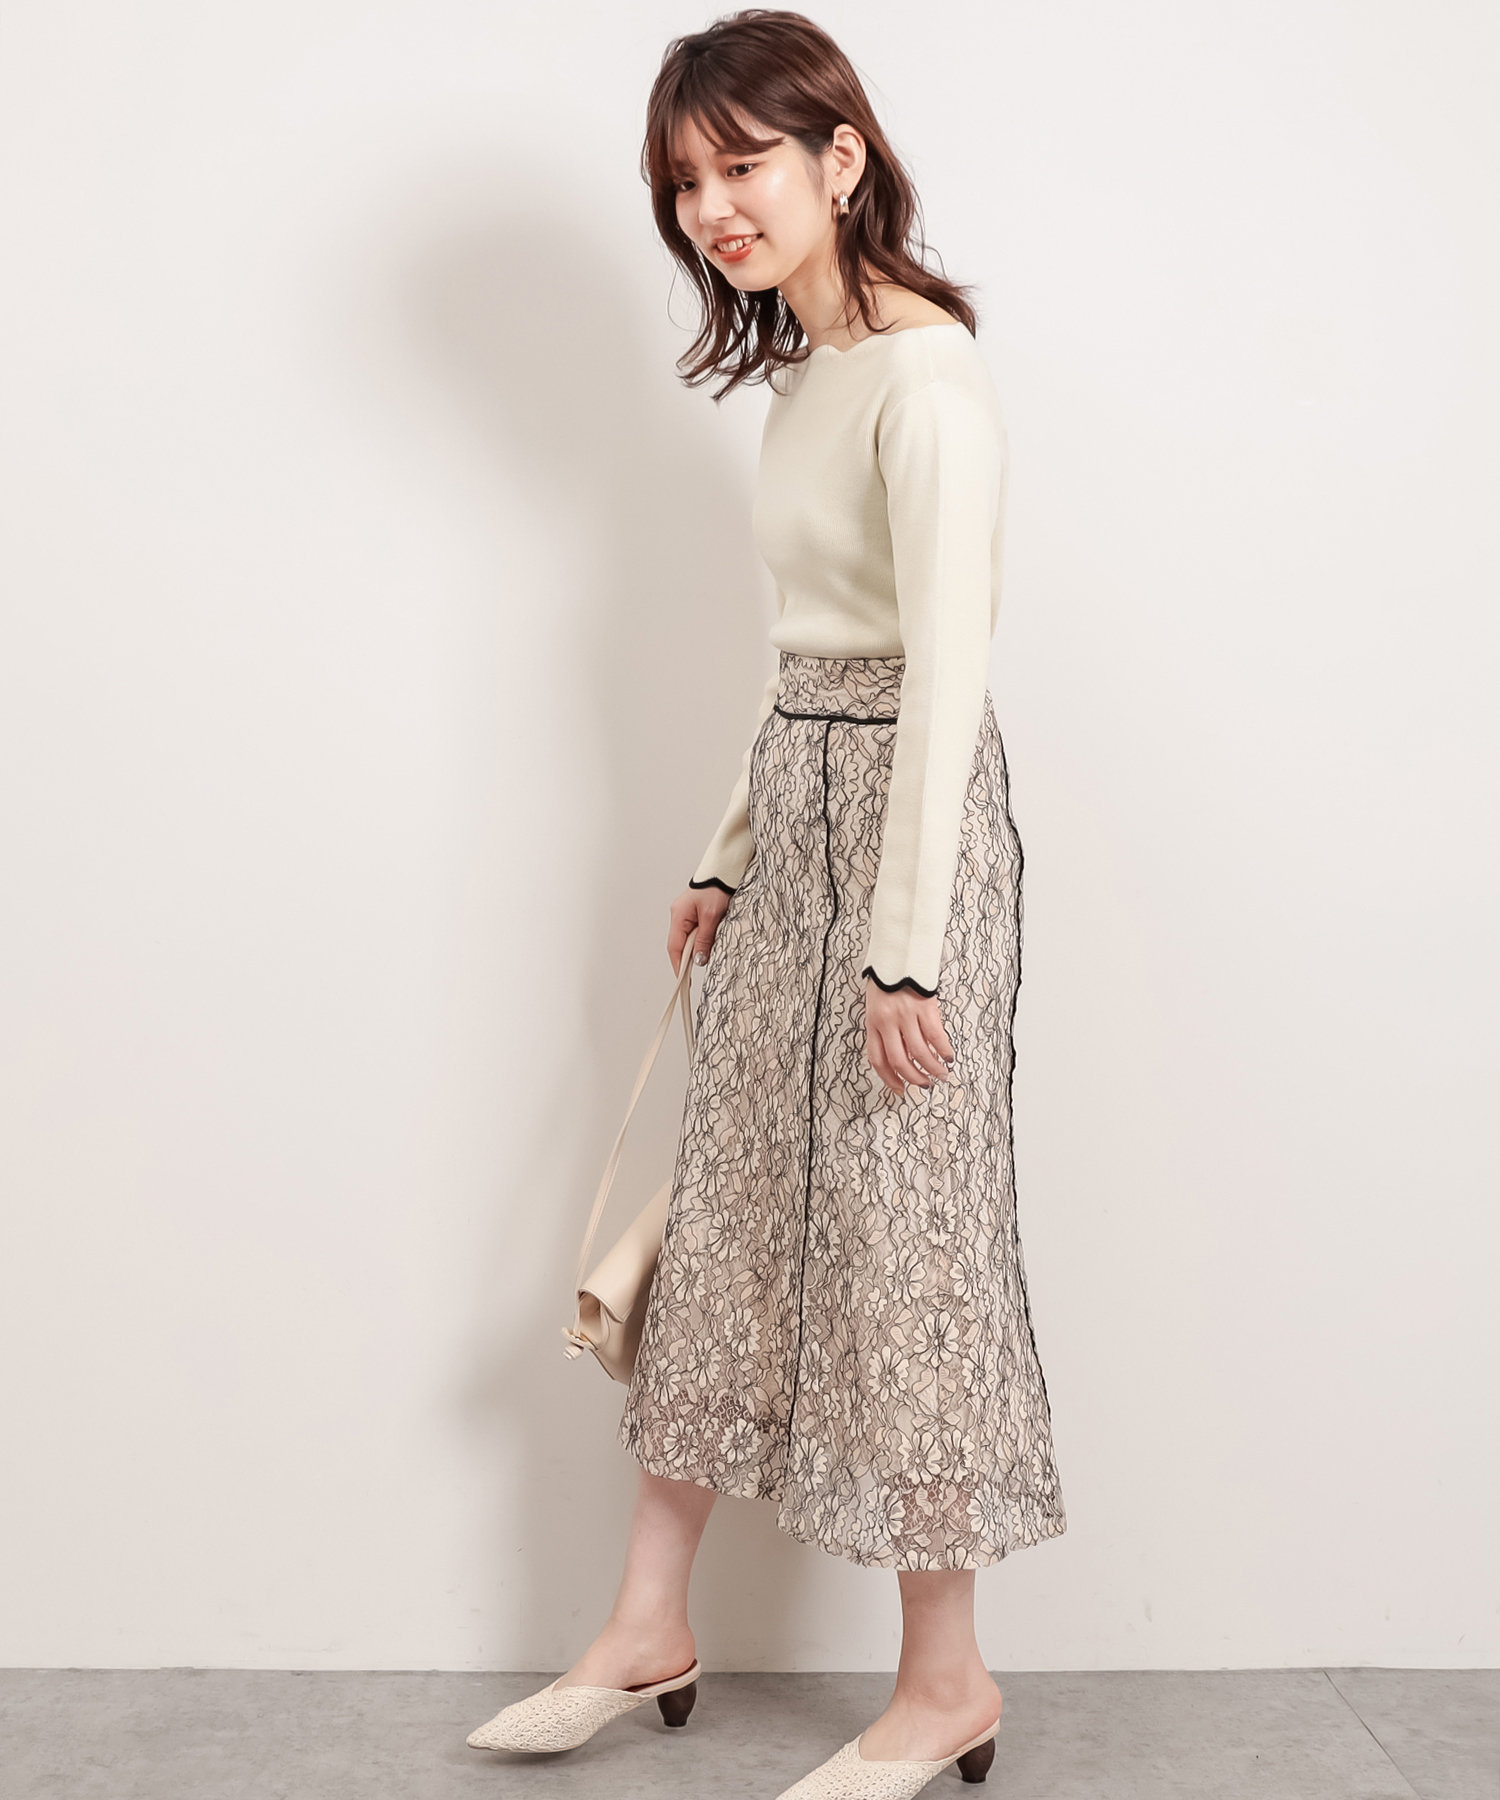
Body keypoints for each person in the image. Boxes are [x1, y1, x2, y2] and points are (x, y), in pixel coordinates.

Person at [467, 12, 1067, 1795]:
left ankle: (948, 1682)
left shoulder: (927, 378)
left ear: (840, 159)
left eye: (743, 165)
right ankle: (649, 1619)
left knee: (909, 1244)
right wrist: (726, 851)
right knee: (727, 1208)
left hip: (914, 842)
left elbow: (941, 677)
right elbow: (806, 652)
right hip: (798, 819)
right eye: (686, 182)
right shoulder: (806, 377)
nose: (712, 208)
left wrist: (904, 948)